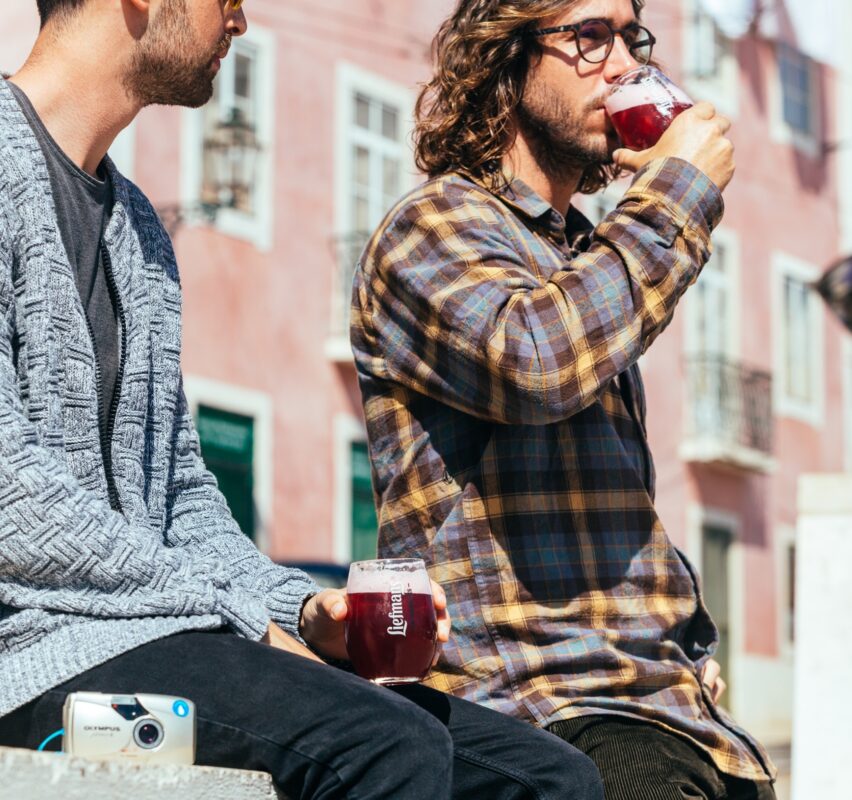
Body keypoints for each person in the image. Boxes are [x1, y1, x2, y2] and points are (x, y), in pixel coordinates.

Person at [0, 2, 606, 798]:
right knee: (387, 746)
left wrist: (304, 608)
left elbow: (181, 497)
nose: (239, 22)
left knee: (546, 777)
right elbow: (12, 497)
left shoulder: (138, 228)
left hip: (153, 635)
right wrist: (244, 620)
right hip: (32, 655)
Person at [351, 0, 777, 798]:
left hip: (658, 710)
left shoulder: (583, 252)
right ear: (505, 58)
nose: (625, 66)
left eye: (631, 39)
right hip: (538, 710)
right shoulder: (434, 226)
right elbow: (537, 363)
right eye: (589, 36)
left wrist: (678, 645)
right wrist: (678, 192)